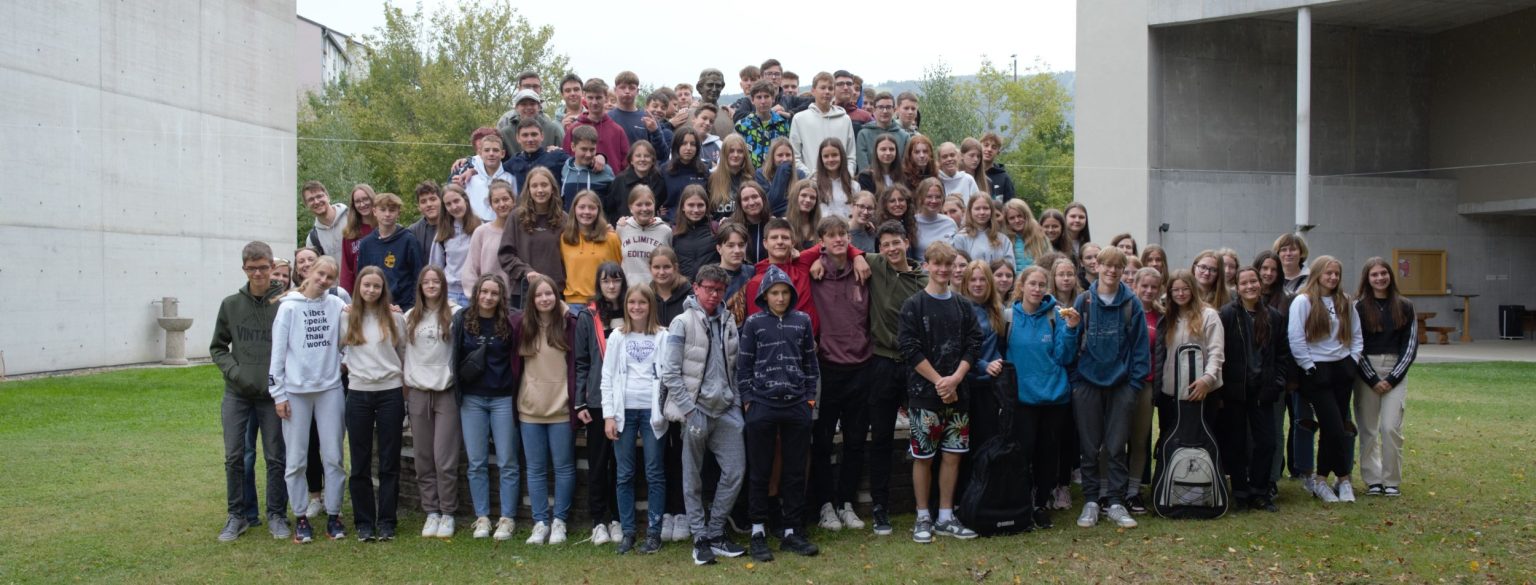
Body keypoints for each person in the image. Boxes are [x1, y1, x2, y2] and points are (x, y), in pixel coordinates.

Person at [660, 264, 749, 566]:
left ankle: (716, 532)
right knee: (692, 477)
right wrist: (688, 410)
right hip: (695, 411)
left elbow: (735, 368)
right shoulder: (681, 323)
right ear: (696, 288)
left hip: (726, 410)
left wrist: (736, 406)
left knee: (735, 472)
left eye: (719, 290)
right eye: (708, 288)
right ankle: (700, 538)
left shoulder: (728, 321)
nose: (713, 294)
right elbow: (670, 373)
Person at [899, 241, 983, 543]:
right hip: (924, 394)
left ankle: (946, 516)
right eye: (938, 264)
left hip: (958, 395)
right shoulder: (913, 305)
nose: (943, 269)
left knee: (953, 455)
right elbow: (909, 348)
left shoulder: (963, 305)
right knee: (923, 457)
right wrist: (940, 382)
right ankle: (923, 515)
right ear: (927, 265)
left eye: (949, 264)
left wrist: (955, 379)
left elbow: (974, 343)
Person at [737, 265, 822, 560]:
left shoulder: (802, 321)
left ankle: (791, 531)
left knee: (795, 471)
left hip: (796, 404)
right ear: (765, 295)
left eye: (785, 292)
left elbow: (811, 363)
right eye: (775, 293)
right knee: (760, 470)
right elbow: (743, 366)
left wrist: (809, 399)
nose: (780, 298)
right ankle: (758, 531)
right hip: (762, 404)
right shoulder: (754, 323)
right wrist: (749, 400)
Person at [512, 275, 600, 545]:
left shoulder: (569, 324)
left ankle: (560, 521)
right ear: (531, 299)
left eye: (549, 293)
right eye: (539, 295)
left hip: (561, 407)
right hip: (530, 408)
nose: (544, 299)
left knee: (564, 467)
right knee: (535, 469)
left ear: (557, 296)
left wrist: (565, 309)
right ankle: (540, 522)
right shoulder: (521, 325)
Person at [212, 241, 290, 542]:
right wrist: (236, 373)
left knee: (276, 457)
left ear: (272, 267)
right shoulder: (231, 305)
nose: (258, 274)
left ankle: (277, 514)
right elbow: (218, 347)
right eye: (252, 268)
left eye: (263, 268)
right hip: (238, 393)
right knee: (235, 456)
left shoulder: (285, 303)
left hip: (273, 394)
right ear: (244, 269)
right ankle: (238, 515)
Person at [269, 255, 348, 543]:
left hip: (329, 389)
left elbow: (353, 334)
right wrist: (278, 394)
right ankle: (301, 516)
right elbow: (277, 354)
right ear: (310, 272)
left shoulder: (337, 304)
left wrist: (344, 361)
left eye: (330, 277)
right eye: (320, 274)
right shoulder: (288, 307)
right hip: (295, 392)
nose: (324, 280)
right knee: (296, 458)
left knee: (334, 456)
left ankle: (334, 514)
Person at [1070, 247, 1148, 530]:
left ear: (1124, 270)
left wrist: (1134, 385)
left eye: (1118, 267)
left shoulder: (1131, 304)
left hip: (1121, 385)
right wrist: (1076, 381)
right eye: (1107, 265)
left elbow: (1140, 348)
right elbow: (1071, 340)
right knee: (1089, 447)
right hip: (1087, 383)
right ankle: (1092, 500)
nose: (1112, 271)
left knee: (1116, 446)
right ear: (1098, 266)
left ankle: (1115, 501)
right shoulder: (1084, 301)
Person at [806, 216, 871, 533]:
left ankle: (846, 502)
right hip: (827, 367)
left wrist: (857, 255)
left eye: (843, 233)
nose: (838, 239)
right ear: (821, 241)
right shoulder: (814, 270)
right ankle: (825, 505)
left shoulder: (864, 270)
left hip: (861, 365)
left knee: (856, 441)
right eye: (831, 235)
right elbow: (792, 254)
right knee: (822, 442)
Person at [1005, 265, 1082, 530]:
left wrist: (1071, 329)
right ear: (1022, 286)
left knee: (1048, 454)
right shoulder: (1008, 316)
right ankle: (1021, 501)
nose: (1037, 289)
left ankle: (1040, 503)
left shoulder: (1055, 315)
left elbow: (1065, 356)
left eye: (1041, 285)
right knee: (1023, 452)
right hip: (1022, 398)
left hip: (1053, 397)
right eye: (1032, 284)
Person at [340, 266, 409, 542]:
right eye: (366, 285)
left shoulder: (395, 318)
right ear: (358, 287)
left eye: (376, 286)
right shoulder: (346, 317)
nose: (371, 290)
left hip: (390, 392)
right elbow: (337, 350)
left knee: (389, 460)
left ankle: (387, 521)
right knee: (360, 461)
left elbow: (402, 353)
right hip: (359, 393)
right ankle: (364, 522)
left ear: (383, 290)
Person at [1287, 256, 1364, 503]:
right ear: (1317, 274)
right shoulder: (1303, 301)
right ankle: (1341, 477)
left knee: (1336, 428)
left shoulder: (1345, 301)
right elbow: (1295, 337)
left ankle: (1323, 480)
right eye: (1328, 273)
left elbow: (1356, 335)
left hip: (1342, 368)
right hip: (1316, 370)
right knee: (1334, 428)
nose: (1332, 277)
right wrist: (1309, 367)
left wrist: (1353, 361)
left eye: (1336, 274)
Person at [601, 286, 670, 554]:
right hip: (624, 412)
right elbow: (607, 378)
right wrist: (609, 415)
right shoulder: (617, 336)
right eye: (632, 302)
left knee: (654, 472)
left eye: (642, 302)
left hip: (653, 412)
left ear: (651, 305)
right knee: (624, 473)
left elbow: (669, 374)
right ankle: (628, 532)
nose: (637, 307)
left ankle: (654, 533)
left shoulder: (663, 336)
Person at [454, 275, 521, 542]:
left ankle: (507, 518)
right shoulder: (463, 319)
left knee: (507, 461)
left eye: (494, 293)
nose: (488, 297)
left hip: (503, 397)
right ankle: (482, 516)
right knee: (476, 462)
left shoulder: (510, 321)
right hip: (472, 399)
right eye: (484, 292)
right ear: (477, 293)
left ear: (501, 296)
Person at [1221, 266, 1287, 512]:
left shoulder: (1273, 317)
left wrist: (1277, 382)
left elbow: (1282, 354)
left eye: (1253, 281)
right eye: (1244, 283)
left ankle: (1260, 490)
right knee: (1236, 443)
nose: (1249, 286)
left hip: (1263, 389)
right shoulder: (1227, 315)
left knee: (1266, 442)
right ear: (1237, 288)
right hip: (1235, 390)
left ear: (1260, 284)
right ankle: (1240, 492)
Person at [403, 266, 463, 538]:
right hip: (418, 392)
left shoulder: (455, 314)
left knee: (444, 458)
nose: (430, 285)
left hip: (445, 391)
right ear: (420, 286)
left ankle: (448, 512)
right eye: (426, 281)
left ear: (443, 284)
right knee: (423, 458)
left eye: (435, 281)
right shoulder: (409, 317)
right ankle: (432, 511)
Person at [1150, 269, 1226, 480]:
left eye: (1185, 289)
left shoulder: (1209, 315)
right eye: (1175, 290)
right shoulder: (1168, 317)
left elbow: (1217, 353)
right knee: (1170, 438)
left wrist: (1207, 380)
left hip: (1202, 391)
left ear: (1193, 289)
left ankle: (1202, 483)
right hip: (1171, 392)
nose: (1181, 294)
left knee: (1201, 439)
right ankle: (1169, 483)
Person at [1352, 257, 1417, 498]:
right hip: (1365, 371)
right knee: (1368, 429)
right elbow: (1355, 344)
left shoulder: (1406, 306)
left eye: (1383, 273)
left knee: (1390, 428)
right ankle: (1373, 480)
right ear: (1367, 279)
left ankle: (1391, 480)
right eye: (1374, 275)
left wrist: (1392, 378)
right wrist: (1372, 378)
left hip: (1395, 370)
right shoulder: (1358, 308)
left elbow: (1410, 346)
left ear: (1390, 275)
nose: (1380, 278)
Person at [1125, 266, 1164, 513]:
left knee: (1139, 440)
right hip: (1121, 385)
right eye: (1144, 286)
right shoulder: (1124, 310)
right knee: (1114, 440)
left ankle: (1133, 491)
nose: (1149, 291)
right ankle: (1109, 490)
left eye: (1154, 287)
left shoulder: (1162, 316)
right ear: (1135, 285)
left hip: (1146, 384)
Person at [500, 170, 569, 307]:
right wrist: (526, 271)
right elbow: (505, 255)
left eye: (544, 185)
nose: (540, 190)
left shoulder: (564, 219)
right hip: (524, 291)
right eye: (535, 186)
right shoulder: (516, 217)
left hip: (555, 291)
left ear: (552, 188)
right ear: (528, 189)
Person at [559, 190, 622, 303]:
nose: (586, 211)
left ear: (598, 210)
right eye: (582, 207)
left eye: (592, 208)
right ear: (574, 209)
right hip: (574, 303)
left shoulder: (611, 238)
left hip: (604, 301)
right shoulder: (565, 239)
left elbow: (620, 269)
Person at [789, 72, 856, 177]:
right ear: (813, 91)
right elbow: (795, 156)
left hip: (841, 181)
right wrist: (810, 176)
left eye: (830, 88)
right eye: (823, 88)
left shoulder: (845, 119)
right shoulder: (799, 119)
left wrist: (847, 176)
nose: (827, 92)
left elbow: (851, 156)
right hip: (812, 182)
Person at [460, 181, 516, 306]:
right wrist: (477, 297)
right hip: (488, 300)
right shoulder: (482, 232)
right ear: (491, 205)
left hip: (517, 301)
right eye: (496, 201)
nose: (502, 204)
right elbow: (470, 269)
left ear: (513, 201)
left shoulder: (522, 231)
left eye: (505, 199)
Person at [563, 78, 631, 175]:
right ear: (584, 97)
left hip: (611, 183)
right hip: (580, 182)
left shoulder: (617, 130)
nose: (594, 102)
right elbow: (566, 160)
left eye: (598, 98)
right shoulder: (573, 129)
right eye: (590, 98)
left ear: (606, 98)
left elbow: (626, 164)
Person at [431, 185, 481, 307]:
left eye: (456, 201)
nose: (454, 207)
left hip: (476, 294)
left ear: (465, 200)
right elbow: (435, 267)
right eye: (448, 204)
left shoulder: (481, 228)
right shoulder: (443, 233)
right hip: (450, 295)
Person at [607, 71, 670, 159]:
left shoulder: (648, 119)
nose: (627, 91)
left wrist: (655, 132)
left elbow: (663, 155)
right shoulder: (607, 118)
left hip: (641, 167)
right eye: (622, 87)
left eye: (631, 88)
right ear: (615, 90)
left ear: (637, 91)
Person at [618, 186, 673, 286]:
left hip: (655, 291)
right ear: (630, 207)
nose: (644, 208)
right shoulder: (622, 228)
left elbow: (671, 264)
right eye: (639, 204)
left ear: (654, 205)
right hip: (628, 291)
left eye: (648, 204)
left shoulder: (666, 231)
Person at [736, 79, 791, 168]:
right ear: (752, 100)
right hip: (750, 175)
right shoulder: (742, 125)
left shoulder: (783, 124)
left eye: (766, 96)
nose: (763, 101)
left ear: (773, 99)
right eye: (759, 97)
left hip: (777, 174)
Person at [560, 125, 616, 210]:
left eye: (592, 150)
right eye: (584, 149)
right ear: (573, 147)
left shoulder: (605, 170)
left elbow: (614, 203)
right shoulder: (565, 169)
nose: (588, 154)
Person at [461, 133, 514, 223]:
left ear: (502, 153)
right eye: (487, 150)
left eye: (495, 150)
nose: (491, 153)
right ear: (480, 153)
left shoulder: (511, 179)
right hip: (474, 228)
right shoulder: (470, 180)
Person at [670, 186, 720, 281]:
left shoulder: (715, 229)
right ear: (683, 207)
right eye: (691, 205)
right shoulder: (673, 231)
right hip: (682, 287)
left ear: (706, 206)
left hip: (710, 285)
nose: (696, 210)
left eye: (700, 205)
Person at [854, 92, 910, 173]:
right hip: (870, 179)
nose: (884, 111)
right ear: (874, 110)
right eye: (880, 107)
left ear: (894, 110)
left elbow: (904, 165)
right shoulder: (863, 134)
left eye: (888, 107)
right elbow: (863, 166)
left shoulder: (904, 136)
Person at [950, 195, 1013, 266]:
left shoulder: (1003, 239)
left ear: (991, 211)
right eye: (977, 209)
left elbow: (1010, 266)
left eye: (986, 208)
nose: (982, 212)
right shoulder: (960, 238)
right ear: (970, 211)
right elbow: (958, 266)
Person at [662, 130, 709, 222]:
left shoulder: (704, 170)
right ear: (676, 146)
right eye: (684, 143)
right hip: (672, 222)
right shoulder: (665, 170)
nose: (688, 148)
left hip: (699, 221)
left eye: (693, 144)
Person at [497, 88, 564, 152]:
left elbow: (564, 155)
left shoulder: (553, 130)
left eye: (532, 104)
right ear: (516, 107)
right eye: (523, 104)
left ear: (539, 107)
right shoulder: (506, 133)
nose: (528, 107)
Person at [723, 181, 774, 265]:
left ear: (763, 198)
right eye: (745, 199)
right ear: (740, 204)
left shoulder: (774, 225)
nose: (751, 203)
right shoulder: (730, 227)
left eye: (755, 197)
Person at [339, 184, 377, 295]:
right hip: (360, 292)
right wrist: (346, 296)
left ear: (373, 199)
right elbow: (347, 270)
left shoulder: (384, 227)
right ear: (353, 205)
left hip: (383, 289)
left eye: (365, 199)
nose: (362, 204)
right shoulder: (350, 233)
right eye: (357, 201)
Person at [707, 134, 756, 221]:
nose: (736, 155)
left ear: (745, 155)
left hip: (742, 227)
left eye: (740, 151)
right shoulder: (711, 178)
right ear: (724, 153)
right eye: (731, 151)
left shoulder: (752, 179)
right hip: (717, 228)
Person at [755, 137, 802, 217]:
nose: (785, 159)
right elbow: (768, 204)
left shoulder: (800, 175)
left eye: (788, 155)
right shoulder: (761, 174)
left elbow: (799, 205)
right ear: (772, 157)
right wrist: (782, 172)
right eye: (780, 155)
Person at [913, 178, 957, 261]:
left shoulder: (950, 223)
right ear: (921, 198)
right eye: (929, 197)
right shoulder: (913, 223)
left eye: (938, 197)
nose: (934, 201)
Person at [812, 138, 856, 219]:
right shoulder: (814, 184)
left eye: (834, 155)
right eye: (826, 156)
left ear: (842, 156)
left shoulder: (854, 185)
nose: (830, 159)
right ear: (821, 159)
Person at [302, 181, 348, 257]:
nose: (316, 202)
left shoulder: (350, 217)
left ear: (328, 197)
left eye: (319, 196)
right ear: (306, 205)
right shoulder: (312, 240)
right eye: (311, 199)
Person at [1003, 199, 1049, 272]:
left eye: (1020, 216)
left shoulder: (1039, 236)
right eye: (1012, 218)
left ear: (1026, 216)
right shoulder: (1005, 240)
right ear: (1007, 221)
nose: (1017, 220)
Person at [406, 181, 441, 261]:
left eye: (433, 199)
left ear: (441, 200)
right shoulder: (412, 232)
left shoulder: (454, 225)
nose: (429, 204)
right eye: (423, 201)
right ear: (419, 207)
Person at [786, 179, 823, 249]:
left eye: (812, 197)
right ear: (795, 197)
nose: (808, 200)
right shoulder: (783, 224)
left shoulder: (822, 226)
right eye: (803, 195)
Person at [979, 133, 1016, 201]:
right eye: (986, 145)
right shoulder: (971, 174)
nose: (989, 149)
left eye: (994, 147)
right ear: (979, 147)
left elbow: (1011, 205)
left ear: (998, 152)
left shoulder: (1004, 179)